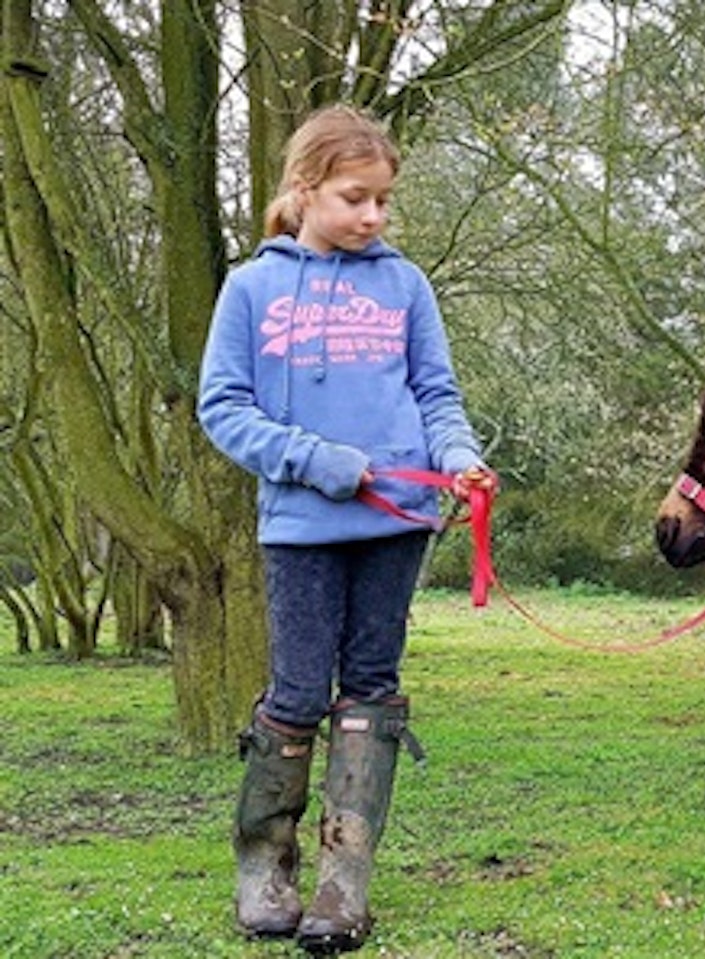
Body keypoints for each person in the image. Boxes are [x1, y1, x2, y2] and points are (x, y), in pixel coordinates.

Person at [198, 103, 493, 953]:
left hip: (398, 522)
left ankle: (343, 886)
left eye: (383, 202)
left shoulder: (405, 285)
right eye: (356, 198)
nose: (372, 216)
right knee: (296, 693)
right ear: (306, 189)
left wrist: (460, 456)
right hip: (300, 524)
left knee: (371, 689)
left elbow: (437, 396)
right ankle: (264, 869)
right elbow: (224, 409)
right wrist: (319, 459)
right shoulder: (252, 288)